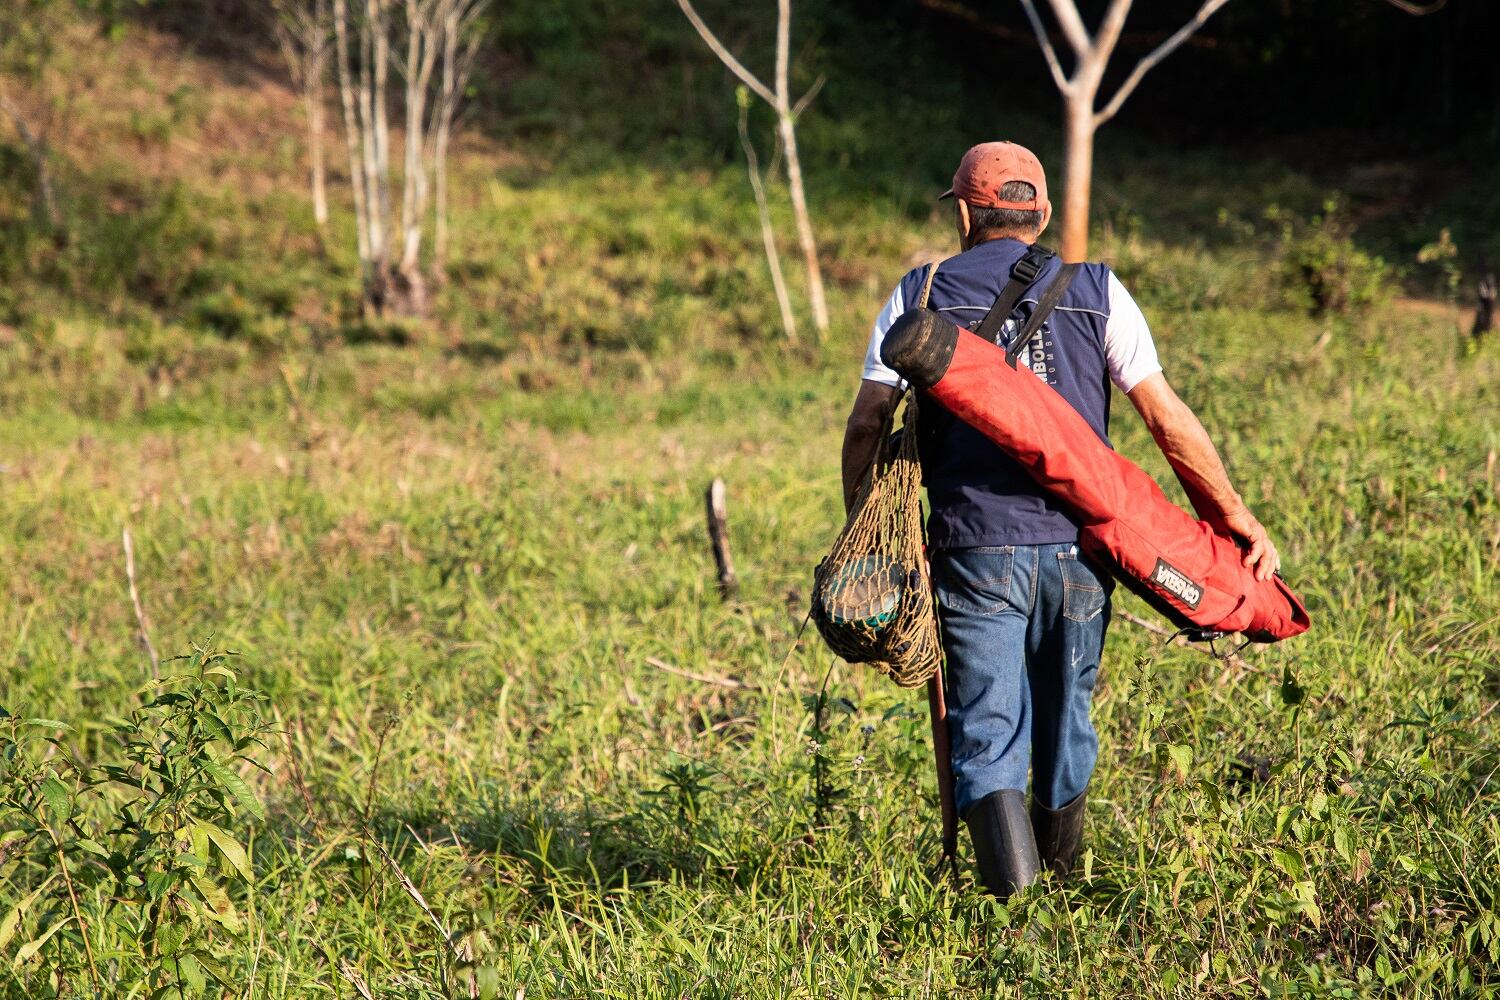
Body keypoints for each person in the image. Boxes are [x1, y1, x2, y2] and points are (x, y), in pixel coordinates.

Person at [841, 141, 1281, 899]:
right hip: (1082, 551)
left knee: (987, 729)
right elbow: (1167, 421)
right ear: (1040, 213)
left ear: (969, 212)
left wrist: (868, 532)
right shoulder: (1099, 290)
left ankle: (1018, 920)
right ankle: (1065, 892)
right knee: (1067, 720)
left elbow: (866, 424)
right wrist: (1232, 514)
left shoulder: (919, 292)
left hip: (973, 550)